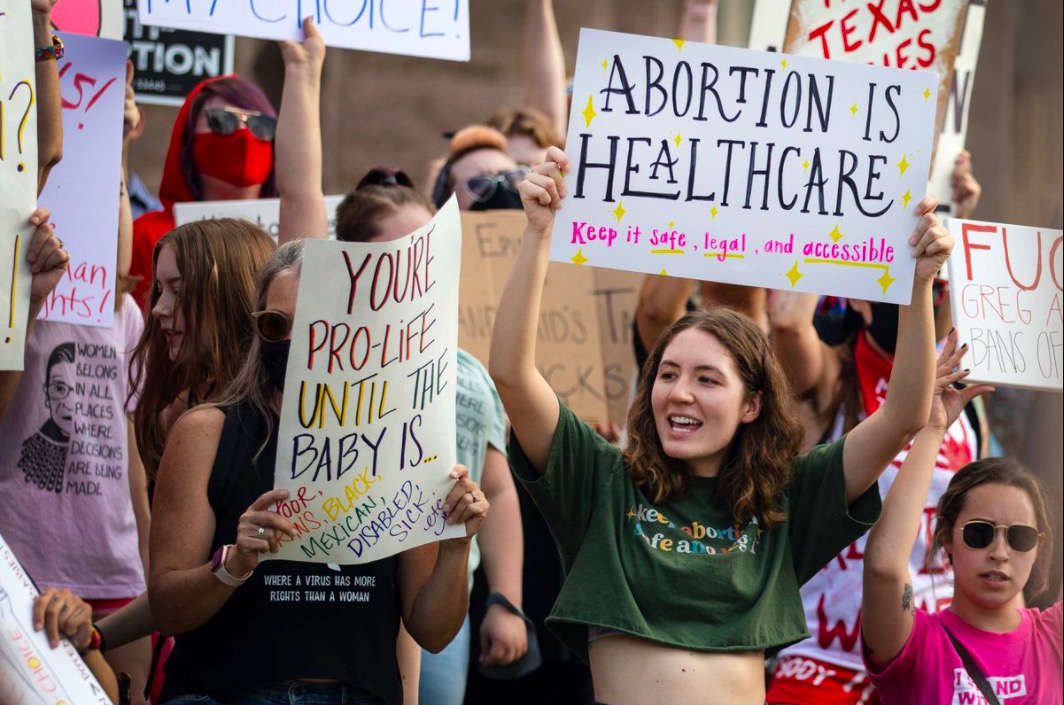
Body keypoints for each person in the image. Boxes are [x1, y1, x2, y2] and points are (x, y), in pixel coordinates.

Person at [488, 147, 952, 705]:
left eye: (708, 379)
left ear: (752, 404)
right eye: (668, 373)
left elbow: (903, 416)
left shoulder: (786, 500)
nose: (680, 391)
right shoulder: (600, 482)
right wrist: (539, 233)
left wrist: (919, 281)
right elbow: (512, 375)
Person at [147, 240, 486, 705]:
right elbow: (167, 607)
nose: (290, 340)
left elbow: (432, 631)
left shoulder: (405, 442)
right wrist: (231, 565)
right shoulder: (206, 433)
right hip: (226, 694)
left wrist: (454, 548)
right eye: (274, 324)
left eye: (309, 323)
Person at [334, 169, 529, 705]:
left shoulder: (468, 374)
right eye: (398, 253)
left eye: (429, 251)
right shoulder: (321, 370)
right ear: (348, 263)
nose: (416, 270)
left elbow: (500, 490)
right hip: (347, 596)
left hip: (443, 601)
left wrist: (505, 600)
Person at [0, 62, 154, 703]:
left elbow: (133, 461)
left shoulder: (125, 314)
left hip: (112, 569)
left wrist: (150, 569)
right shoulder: (17, 305)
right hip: (24, 565)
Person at [861, 335, 1061, 704]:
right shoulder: (916, 644)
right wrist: (933, 428)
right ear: (947, 538)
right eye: (980, 533)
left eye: (1019, 538)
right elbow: (884, 568)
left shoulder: (1055, 638)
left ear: (1039, 547)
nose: (1000, 552)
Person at [127, 18, 325, 305]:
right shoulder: (148, 236)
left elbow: (302, 195)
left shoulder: (284, 240)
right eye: (223, 121)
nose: (243, 133)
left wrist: (302, 72)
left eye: (260, 126)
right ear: (189, 139)